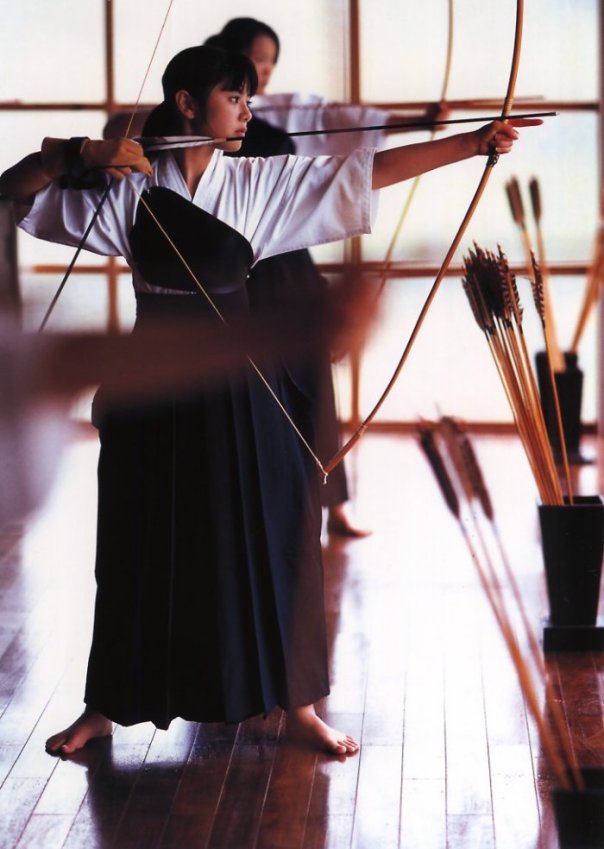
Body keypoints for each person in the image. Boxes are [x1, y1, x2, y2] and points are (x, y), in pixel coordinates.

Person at [0, 43, 536, 758]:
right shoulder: (126, 185)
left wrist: (471, 144)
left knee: (278, 532)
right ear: (187, 104)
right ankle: (106, 705)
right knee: (137, 542)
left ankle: (300, 703)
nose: (249, 113)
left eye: (250, 99)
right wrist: (80, 153)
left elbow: (365, 172)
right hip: (152, 382)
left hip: (241, 382)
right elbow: (13, 194)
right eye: (235, 97)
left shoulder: (255, 183)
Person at [208, 18, 448, 536]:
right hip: (234, 269)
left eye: (270, 61)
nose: (263, 72)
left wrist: (419, 120)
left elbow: (334, 119)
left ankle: (332, 502)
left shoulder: (275, 115)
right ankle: (266, 509)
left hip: (286, 263)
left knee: (313, 378)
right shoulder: (211, 115)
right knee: (251, 385)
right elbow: (129, 128)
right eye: (255, 58)